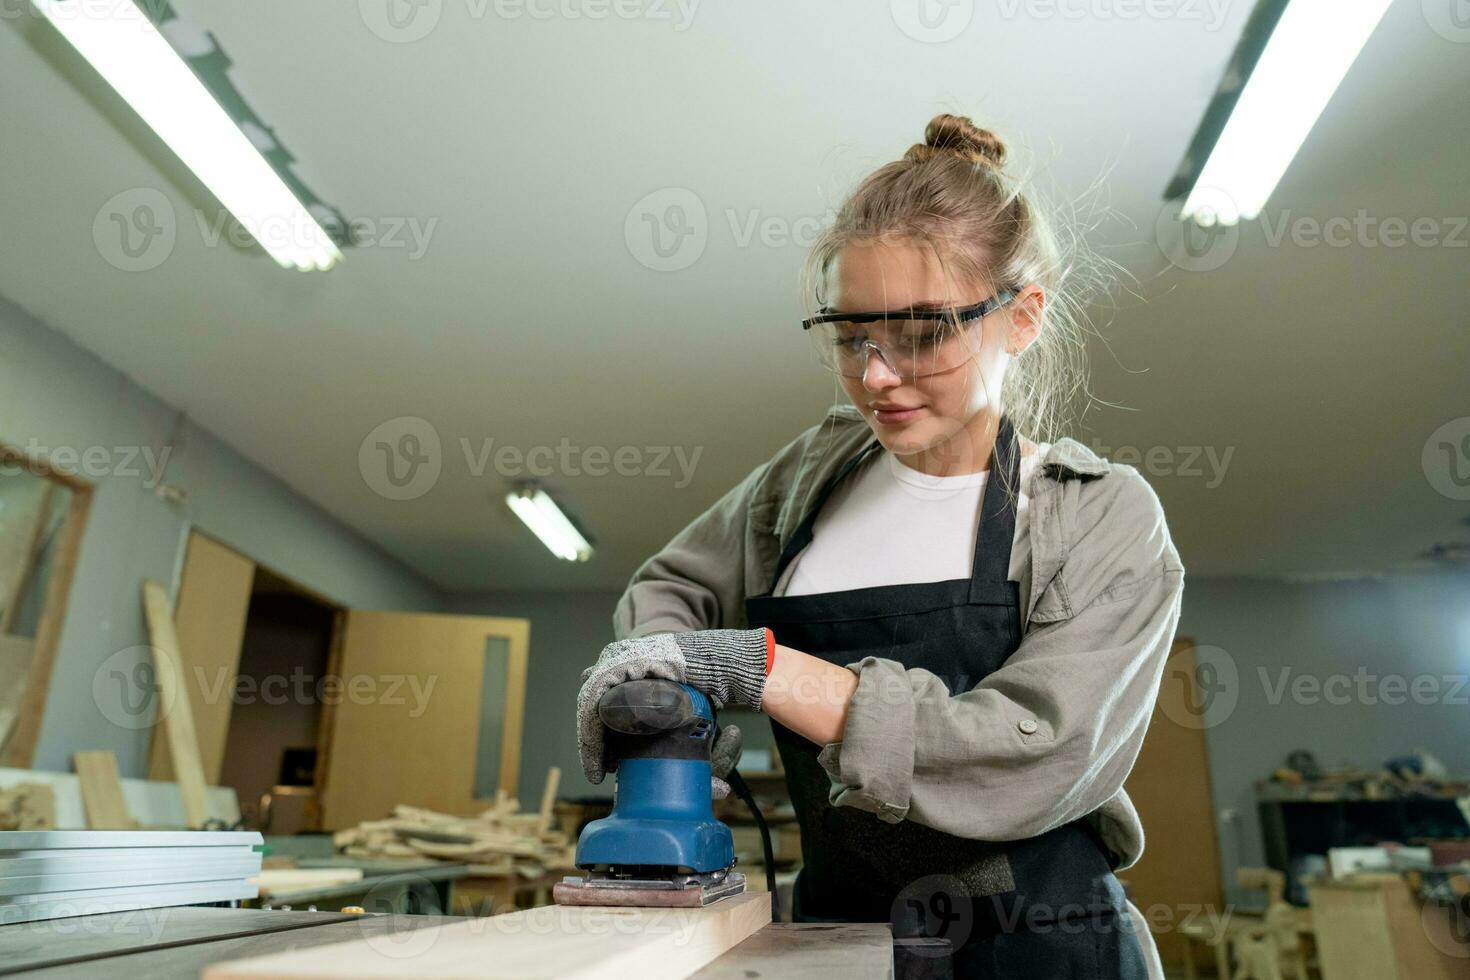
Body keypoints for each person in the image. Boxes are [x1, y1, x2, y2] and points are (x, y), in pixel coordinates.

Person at [576, 113, 1183, 978]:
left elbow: (1033, 748)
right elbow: (671, 587)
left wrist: (760, 669)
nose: (876, 376)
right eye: (850, 334)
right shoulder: (806, 478)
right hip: (832, 941)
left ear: (1022, 317)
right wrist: (666, 705)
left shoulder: (1098, 516)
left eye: (923, 334)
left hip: (1036, 947)